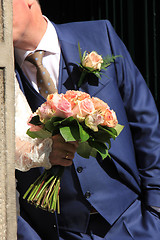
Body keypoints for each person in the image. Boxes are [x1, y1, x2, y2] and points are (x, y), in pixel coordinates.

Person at [13, 0, 160, 239]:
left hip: (133, 222)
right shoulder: (7, 80)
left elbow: (145, 123)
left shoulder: (100, 35)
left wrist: (156, 208)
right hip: (60, 232)